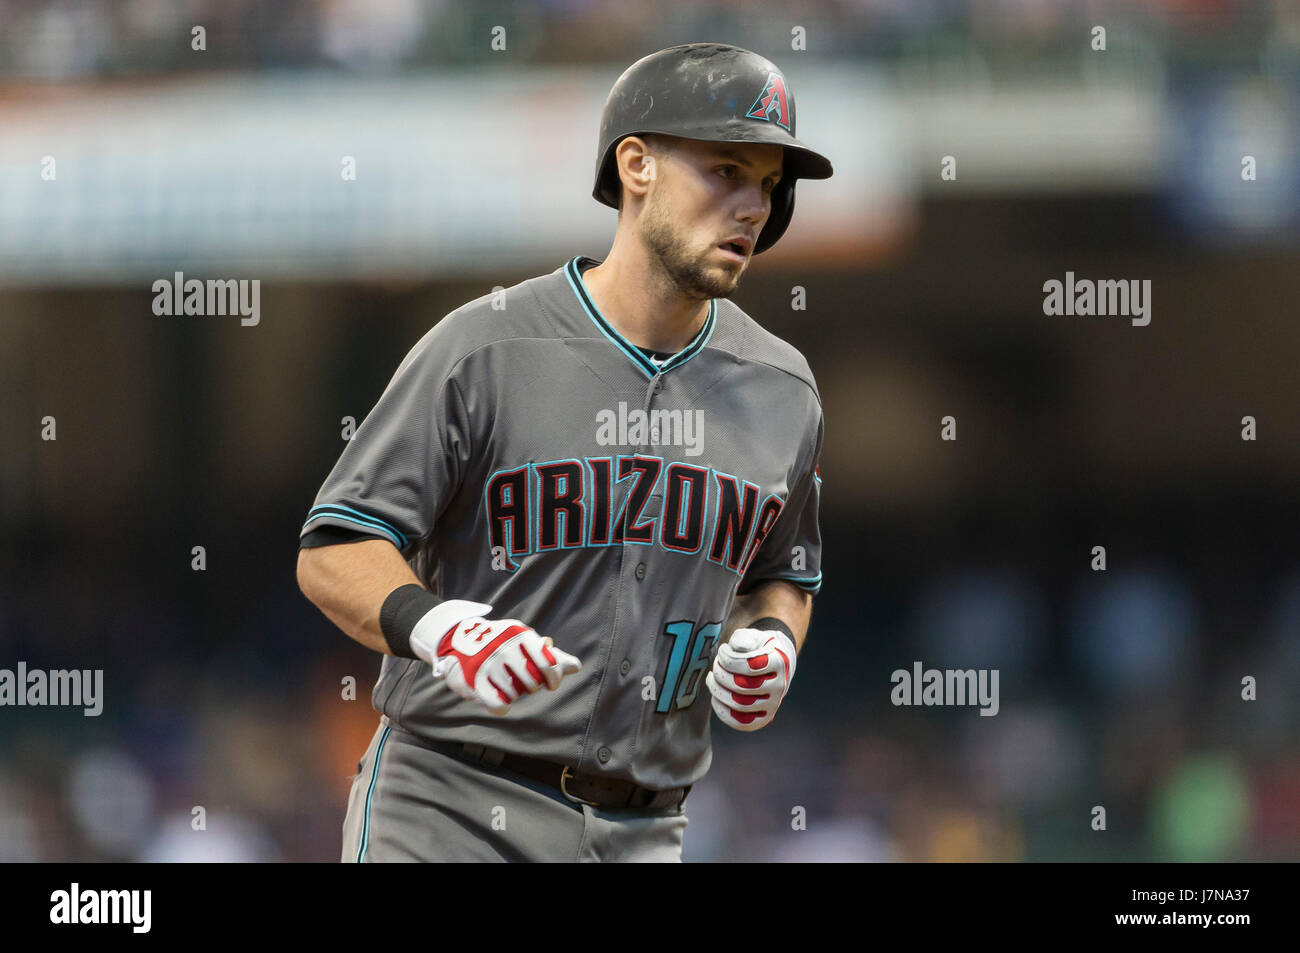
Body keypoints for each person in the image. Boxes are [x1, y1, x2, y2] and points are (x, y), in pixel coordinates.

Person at [296, 41, 832, 862]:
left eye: (767, 184)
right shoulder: (486, 346)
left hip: (646, 827)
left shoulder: (782, 389)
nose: (753, 206)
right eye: (726, 169)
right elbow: (336, 545)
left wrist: (774, 640)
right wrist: (437, 625)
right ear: (636, 164)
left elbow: (783, 573)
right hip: (449, 805)